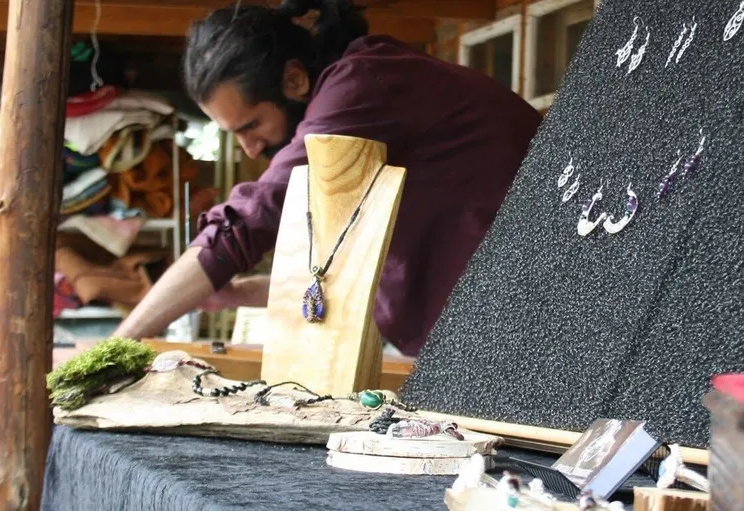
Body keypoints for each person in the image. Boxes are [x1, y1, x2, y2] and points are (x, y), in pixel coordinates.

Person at [113, 0, 542, 356]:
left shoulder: (360, 85)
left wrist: (119, 343)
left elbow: (250, 219)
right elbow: (354, 262)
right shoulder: (364, 87)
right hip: (495, 312)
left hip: (528, 309)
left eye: (251, 126)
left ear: (294, 79)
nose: (250, 148)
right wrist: (246, 292)